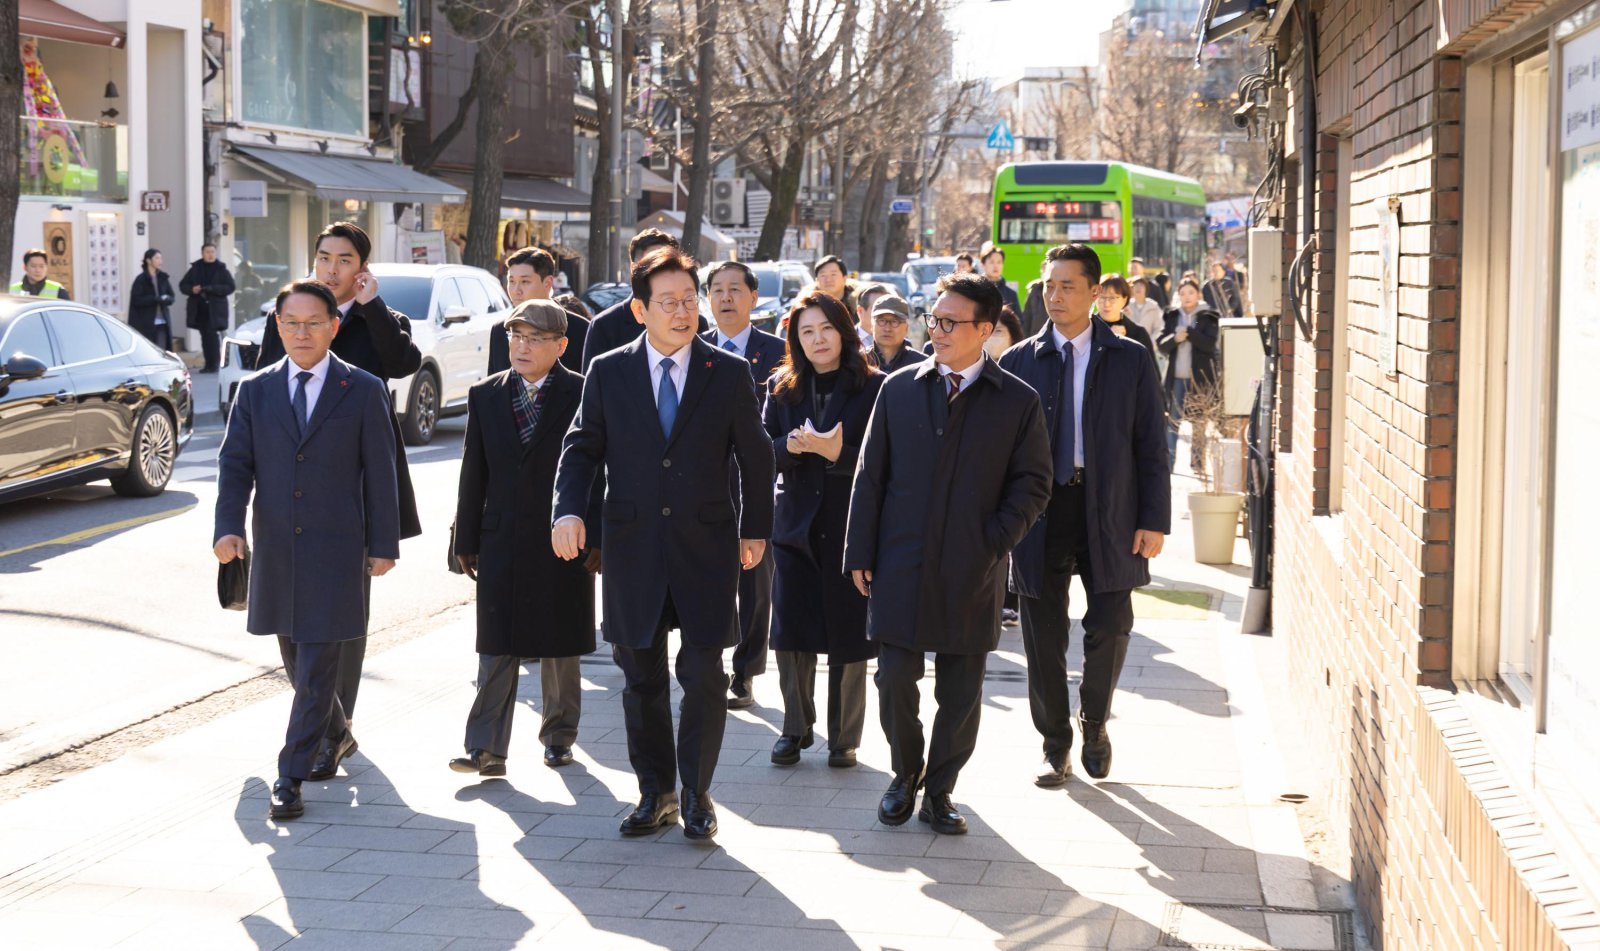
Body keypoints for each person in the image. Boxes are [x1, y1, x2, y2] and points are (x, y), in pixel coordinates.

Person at [552, 247, 774, 841]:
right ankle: (657, 792)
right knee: (640, 679)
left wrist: (755, 528)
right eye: (670, 302)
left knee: (705, 676)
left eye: (690, 300)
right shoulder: (609, 370)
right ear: (639, 309)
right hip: (633, 549)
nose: (684, 312)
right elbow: (582, 447)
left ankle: (698, 792)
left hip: (707, 549)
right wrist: (568, 510)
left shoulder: (725, 372)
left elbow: (755, 454)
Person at [844, 273, 1052, 835]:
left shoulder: (1017, 401)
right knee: (892, 682)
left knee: (960, 694)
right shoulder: (900, 388)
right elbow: (871, 475)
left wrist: (993, 541)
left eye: (950, 322)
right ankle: (903, 775)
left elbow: (1033, 485)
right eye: (932, 319)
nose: (935, 330)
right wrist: (860, 549)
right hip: (899, 561)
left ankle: (939, 791)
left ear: (985, 329)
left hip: (974, 568)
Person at [213, 280, 400, 820]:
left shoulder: (362, 389)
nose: (301, 332)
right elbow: (235, 466)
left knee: (318, 663)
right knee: (295, 656)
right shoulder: (256, 391)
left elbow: (380, 473)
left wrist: (383, 544)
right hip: (275, 548)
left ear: (333, 326)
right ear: (278, 326)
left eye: (313, 322)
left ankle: (290, 775)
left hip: (339, 549)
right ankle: (337, 733)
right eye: (291, 323)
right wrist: (229, 529)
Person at [255, 221, 423, 780]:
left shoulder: (381, 319)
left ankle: (330, 731)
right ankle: (333, 727)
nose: (331, 268)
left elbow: (403, 363)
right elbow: (265, 387)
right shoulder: (291, 315)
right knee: (294, 622)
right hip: (299, 479)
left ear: (363, 269)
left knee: (345, 618)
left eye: (344, 259)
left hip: (359, 475)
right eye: (324, 256)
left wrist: (372, 309)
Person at [999, 244, 1171, 786]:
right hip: (1039, 511)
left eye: (1067, 286)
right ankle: (1055, 743)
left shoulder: (1129, 358)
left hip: (1110, 507)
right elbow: (998, 450)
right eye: (1048, 286)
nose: (1054, 296)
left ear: (1095, 293)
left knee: (1111, 624)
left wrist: (1154, 518)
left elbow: (1150, 443)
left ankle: (1094, 720)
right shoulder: (1020, 361)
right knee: (1041, 634)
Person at [451, 300, 597, 777]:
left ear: (561, 345)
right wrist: (465, 537)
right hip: (502, 537)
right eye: (516, 336)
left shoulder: (584, 394)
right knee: (496, 642)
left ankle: (558, 736)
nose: (522, 346)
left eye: (535, 338)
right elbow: (474, 471)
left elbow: (599, 469)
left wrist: (596, 536)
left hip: (564, 536)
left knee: (559, 643)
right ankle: (485, 746)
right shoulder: (486, 394)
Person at [764, 292, 883, 768]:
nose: (817, 339)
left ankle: (844, 737)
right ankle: (794, 729)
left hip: (850, 526)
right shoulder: (782, 386)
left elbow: (887, 462)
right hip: (795, 525)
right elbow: (760, 451)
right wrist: (791, 446)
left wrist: (839, 455)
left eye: (826, 329)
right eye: (806, 331)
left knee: (849, 636)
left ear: (845, 332)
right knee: (792, 632)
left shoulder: (875, 386)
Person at [701, 261, 785, 711]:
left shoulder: (779, 353)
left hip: (756, 485)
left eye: (736, 289)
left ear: (754, 298)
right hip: (707, 486)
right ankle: (708, 666)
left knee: (754, 585)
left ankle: (747, 671)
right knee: (711, 581)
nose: (726, 298)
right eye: (717, 289)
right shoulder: (694, 350)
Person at [581, 229, 707, 370]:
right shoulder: (605, 326)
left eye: (668, 263)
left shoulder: (696, 323)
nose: (662, 271)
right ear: (633, 268)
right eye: (653, 264)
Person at [486, 246, 589, 375]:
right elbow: (495, 387)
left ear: (547, 283)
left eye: (525, 281)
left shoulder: (580, 329)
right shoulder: (500, 330)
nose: (516, 290)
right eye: (511, 281)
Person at [1156, 277, 1221, 474]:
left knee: (1198, 423)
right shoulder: (1171, 315)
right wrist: (1175, 338)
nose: (1186, 297)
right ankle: (1169, 464)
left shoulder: (1209, 316)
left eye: (1190, 292)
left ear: (1198, 294)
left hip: (1199, 378)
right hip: (1176, 377)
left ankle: (1198, 464)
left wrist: (1190, 333)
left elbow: (1209, 344)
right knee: (1173, 422)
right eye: (1182, 293)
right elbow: (1161, 345)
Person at [179, 243, 237, 373]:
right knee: (205, 336)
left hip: (215, 309)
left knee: (212, 335)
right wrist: (192, 289)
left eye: (212, 252)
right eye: (207, 252)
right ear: (202, 253)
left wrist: (212, 289)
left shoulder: (221, 269)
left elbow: (230, 287)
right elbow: (183, 285)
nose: (210, 254)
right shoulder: (195, 268)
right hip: (199, 308)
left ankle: (214, 363)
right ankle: (208, 364)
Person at [1094, 274, 1158, 366]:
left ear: (1124, 299)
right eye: (1102, 297)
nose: (1106, 303)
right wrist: (1107, 339)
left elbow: (1151, 375)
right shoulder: (1084, 330)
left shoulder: (1138, 333)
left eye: (1112, 298)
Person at [127, 249, 175, 349]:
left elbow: (172, 296)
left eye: (161, 258)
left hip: (163, 321)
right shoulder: (140, 279)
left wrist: (166, 299)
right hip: (146, 322)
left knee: (162, 351)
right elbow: (137, 300)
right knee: (149, 349)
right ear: (149, 260)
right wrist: (155, 299)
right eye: (157, 258)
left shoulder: (163, 277)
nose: (160, 261)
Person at [868, 295, 921, 373]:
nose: (887, 328)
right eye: (882, 321)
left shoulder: (920, 364)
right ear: (872, 325)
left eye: (894, 322)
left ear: (906, 328)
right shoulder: (859, 361)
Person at [980, 244, 1022, 315]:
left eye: (999, 262)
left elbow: (1018, 322)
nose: (996, 266)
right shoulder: (976, 290)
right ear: (983, 265)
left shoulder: (1011, 294)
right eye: (991, 262)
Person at [853, 282, 891, 351]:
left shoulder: (899, 341)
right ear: (860, 311)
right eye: (877, 309)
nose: (884, 314)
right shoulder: (844, 341)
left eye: (888, 309)